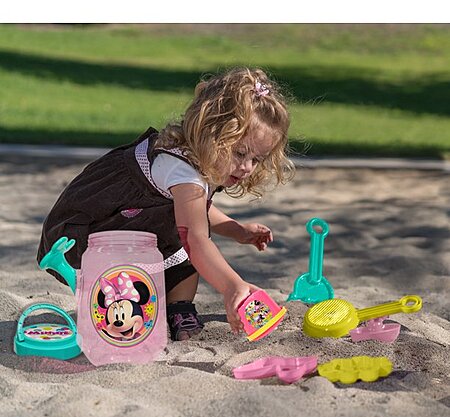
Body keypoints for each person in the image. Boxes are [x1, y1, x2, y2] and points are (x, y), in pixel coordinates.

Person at [37, 67, 295, 341]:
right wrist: (232, 286)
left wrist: (235, 229)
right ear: (211, 134)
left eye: (256, 159)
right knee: (193, 244)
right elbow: (196, 237)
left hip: (138, 221)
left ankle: (179, 307)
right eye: (240, 153)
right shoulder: (181, 169)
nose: (247, 167)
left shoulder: (202, 161)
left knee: (185, 242)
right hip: (97, 225)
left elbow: (197, 208)